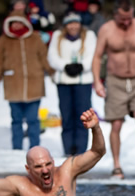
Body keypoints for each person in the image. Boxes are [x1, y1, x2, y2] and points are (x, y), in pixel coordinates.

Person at [92, 0, 135, 178]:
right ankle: (117, 165)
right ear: (115, 15)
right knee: (116, 123)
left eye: (129, 18)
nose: (126, 22)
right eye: (122, 19)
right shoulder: (106, 29)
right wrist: (97, 82)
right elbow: (97, 56)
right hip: (115, 80)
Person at [0, 9, 55, 150]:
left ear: (25, 23)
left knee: (33, 120)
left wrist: (51, 72)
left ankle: (35, 148)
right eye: (13, 23)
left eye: (19, 23)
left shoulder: (35, 38)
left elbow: (44, 57)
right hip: (13, 84)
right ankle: (17, 149)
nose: (16, 26)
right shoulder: (4, 40)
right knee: (16, 120)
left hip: (34, 83)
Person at [48, 12, 97, 156]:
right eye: (70, 23)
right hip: (64, 80)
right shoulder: (58, 36)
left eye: (75, 23)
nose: (73, 26)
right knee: (67, 115)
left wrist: (81, 66)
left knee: (82, 115)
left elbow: (93, 54)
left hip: (83, 80)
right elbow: (52, 56)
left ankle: (81, 149)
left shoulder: (89, 36)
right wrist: (65, 66)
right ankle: (68, 149)